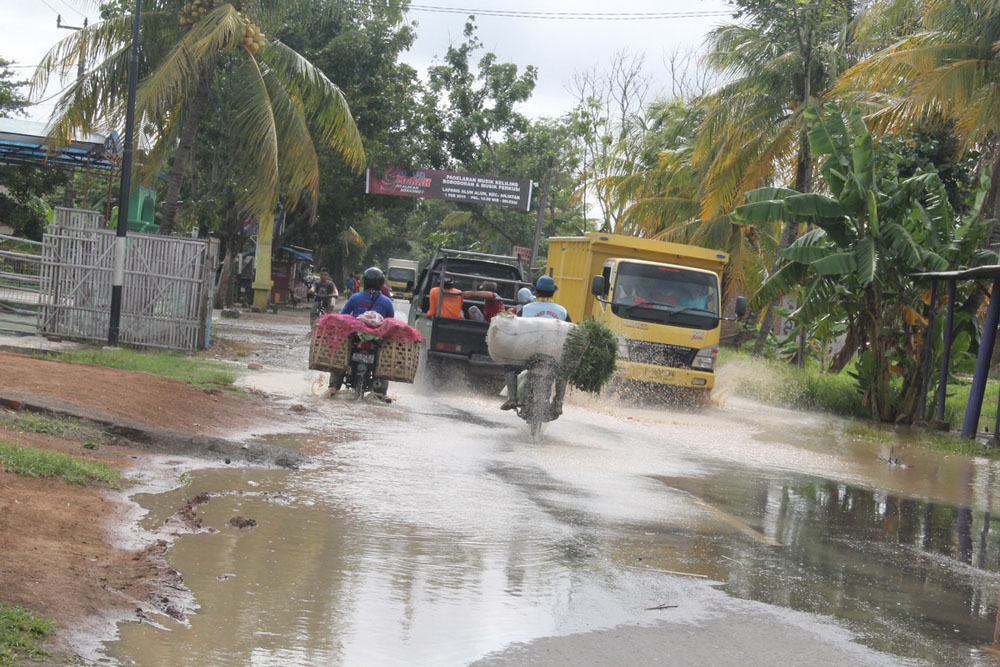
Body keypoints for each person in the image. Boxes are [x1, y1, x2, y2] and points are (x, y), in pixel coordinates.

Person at [501, 275, 571, 416]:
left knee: (509, 366)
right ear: (553, 292)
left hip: (529, 352)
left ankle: (513, 398)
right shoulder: (562, 311)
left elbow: (516, 330)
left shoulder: (526, 309)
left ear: (536, 292)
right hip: (553, 353)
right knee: (563, 372)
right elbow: (569, 332)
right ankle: (558, 404)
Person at [335, 267, 395, 400]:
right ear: (381, 283)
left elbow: (342, 316)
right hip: (376, 340)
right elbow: (390, 322)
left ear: (365, 281)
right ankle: (381, 393)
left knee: (340, 355)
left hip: (355, 336)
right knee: (383, 361)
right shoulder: (387, 301)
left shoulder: (355, 297)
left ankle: (333, 386)